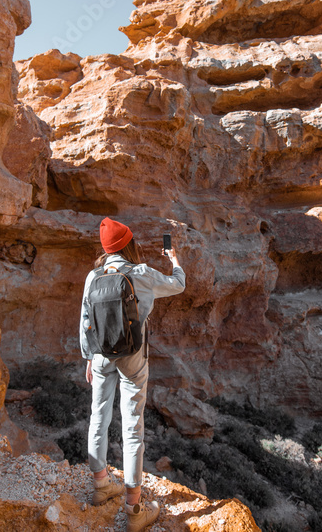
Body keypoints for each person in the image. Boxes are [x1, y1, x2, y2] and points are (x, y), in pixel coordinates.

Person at [79, 217, 185, 532]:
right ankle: (134, 509)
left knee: (98, 417)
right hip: (132, 356)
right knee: (132, 427)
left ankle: (100, 486)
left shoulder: (93, 275)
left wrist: (88, 357)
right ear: (129, 244)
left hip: (99, 354)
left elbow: (84, 318)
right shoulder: (139, 273)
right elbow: (178, 284)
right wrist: (174, 260)